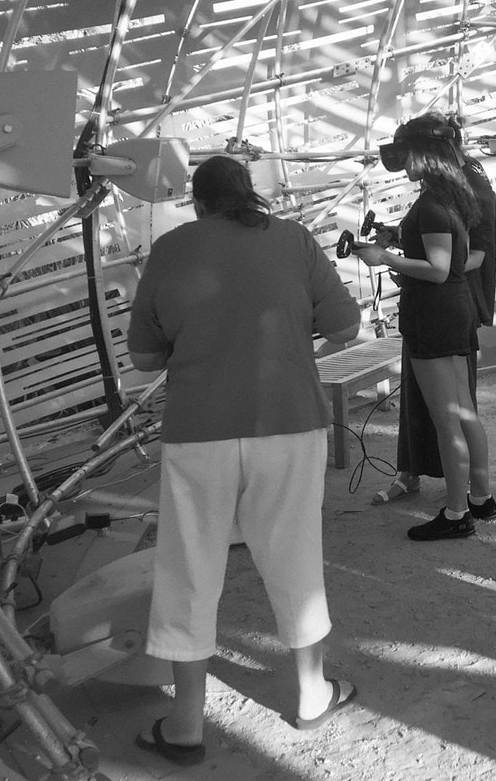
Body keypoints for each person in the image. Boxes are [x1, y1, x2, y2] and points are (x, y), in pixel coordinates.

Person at [128, 156, 362, 765]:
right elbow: (346, 329)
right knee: (294, 556)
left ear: (197, 202)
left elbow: (146, 360)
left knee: (187, 568)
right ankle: (312, 694)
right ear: (248, 194)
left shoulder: (169, 250)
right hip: (288, 421)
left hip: (197, 430)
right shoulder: (295, 240)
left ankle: (184, 727)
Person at [351, 118, 494, 540]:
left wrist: (385, 258)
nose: (401, 163)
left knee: (446, 420)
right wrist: (399, 237)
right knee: (465, 411)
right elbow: (449, 253)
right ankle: (481, 500)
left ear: (425, 155)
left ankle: (455, 514)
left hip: (433, 316)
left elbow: (437, 269)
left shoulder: (431, 203)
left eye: (407, 153)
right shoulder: (454, 195)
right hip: (456, 312)